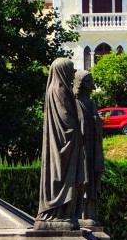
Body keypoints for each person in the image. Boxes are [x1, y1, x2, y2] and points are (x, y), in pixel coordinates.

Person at [36, 57, 84, 225]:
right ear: (63, 71)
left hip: (62, 145)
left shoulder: (57, 89)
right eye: (71, 71)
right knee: (61, 176)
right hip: (62, 147)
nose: (73, 75)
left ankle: (63, 213)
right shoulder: (59, 90)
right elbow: (67, 123)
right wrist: (80, 129)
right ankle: (58, 212)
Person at [74, 69, 105, 225]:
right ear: (81, 83)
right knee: (83, 180)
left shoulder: (90, 103)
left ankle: (90, 215)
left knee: (92, 179)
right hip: (82, 150)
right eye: (89, 81)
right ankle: (81, 216)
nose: (92, 84)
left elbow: (96, 123)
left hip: (92, 149)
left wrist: (96, 121)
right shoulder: (75, 102)